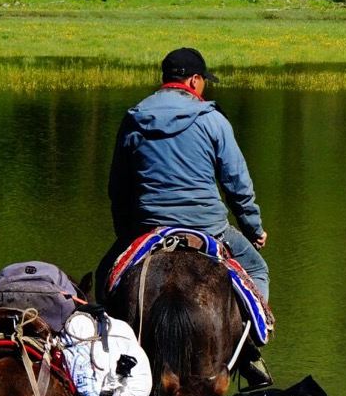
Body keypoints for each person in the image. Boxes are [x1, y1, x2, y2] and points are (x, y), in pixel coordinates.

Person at [99, 46, 270, 300]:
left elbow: (118, 188)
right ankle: (253, 338)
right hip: (209, 226)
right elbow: (237, 184)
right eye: (203, 82)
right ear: (193, 80)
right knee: (257, 269)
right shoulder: (213, 120)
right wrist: (253, 229)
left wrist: (126, 232)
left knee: (104, 279)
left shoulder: (134, 119)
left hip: (149, 225)